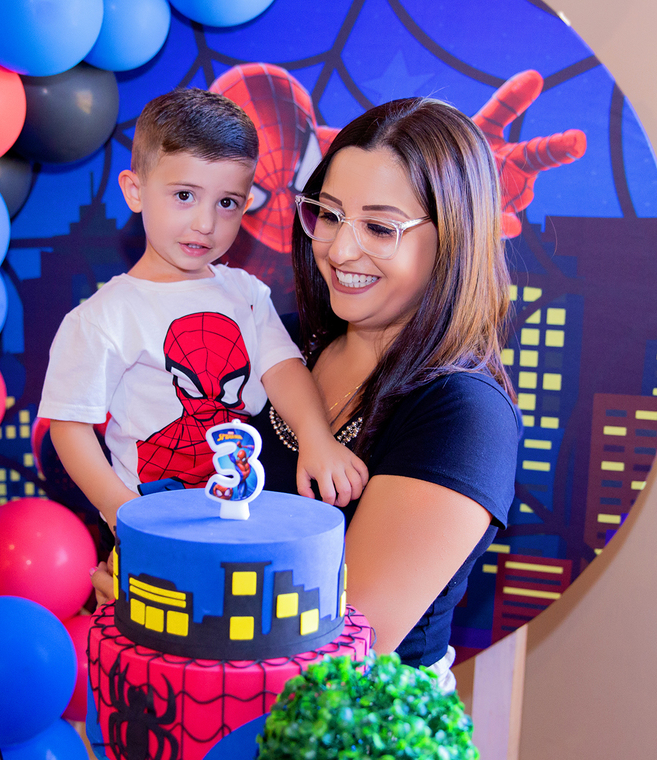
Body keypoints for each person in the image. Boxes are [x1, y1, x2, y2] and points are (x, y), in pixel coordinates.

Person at [253, 97, 521, 687]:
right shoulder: (283, 345)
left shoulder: (463, 414)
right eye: (328, 214)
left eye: (379, 227)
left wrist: (174, 610)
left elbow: (341, 647)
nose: (341, 250)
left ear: (452, 239)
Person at [40, 89, 367, 536]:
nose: (205, 223)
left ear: (247, 203)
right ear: (135, 191)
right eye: (184, 196)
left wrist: (316, 439)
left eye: (226, 202)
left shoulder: (246, 293)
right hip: (153, 528)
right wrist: (122, 512)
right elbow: (70, 427)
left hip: (244, 519)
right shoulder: (102, 318)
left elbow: (284, 368)